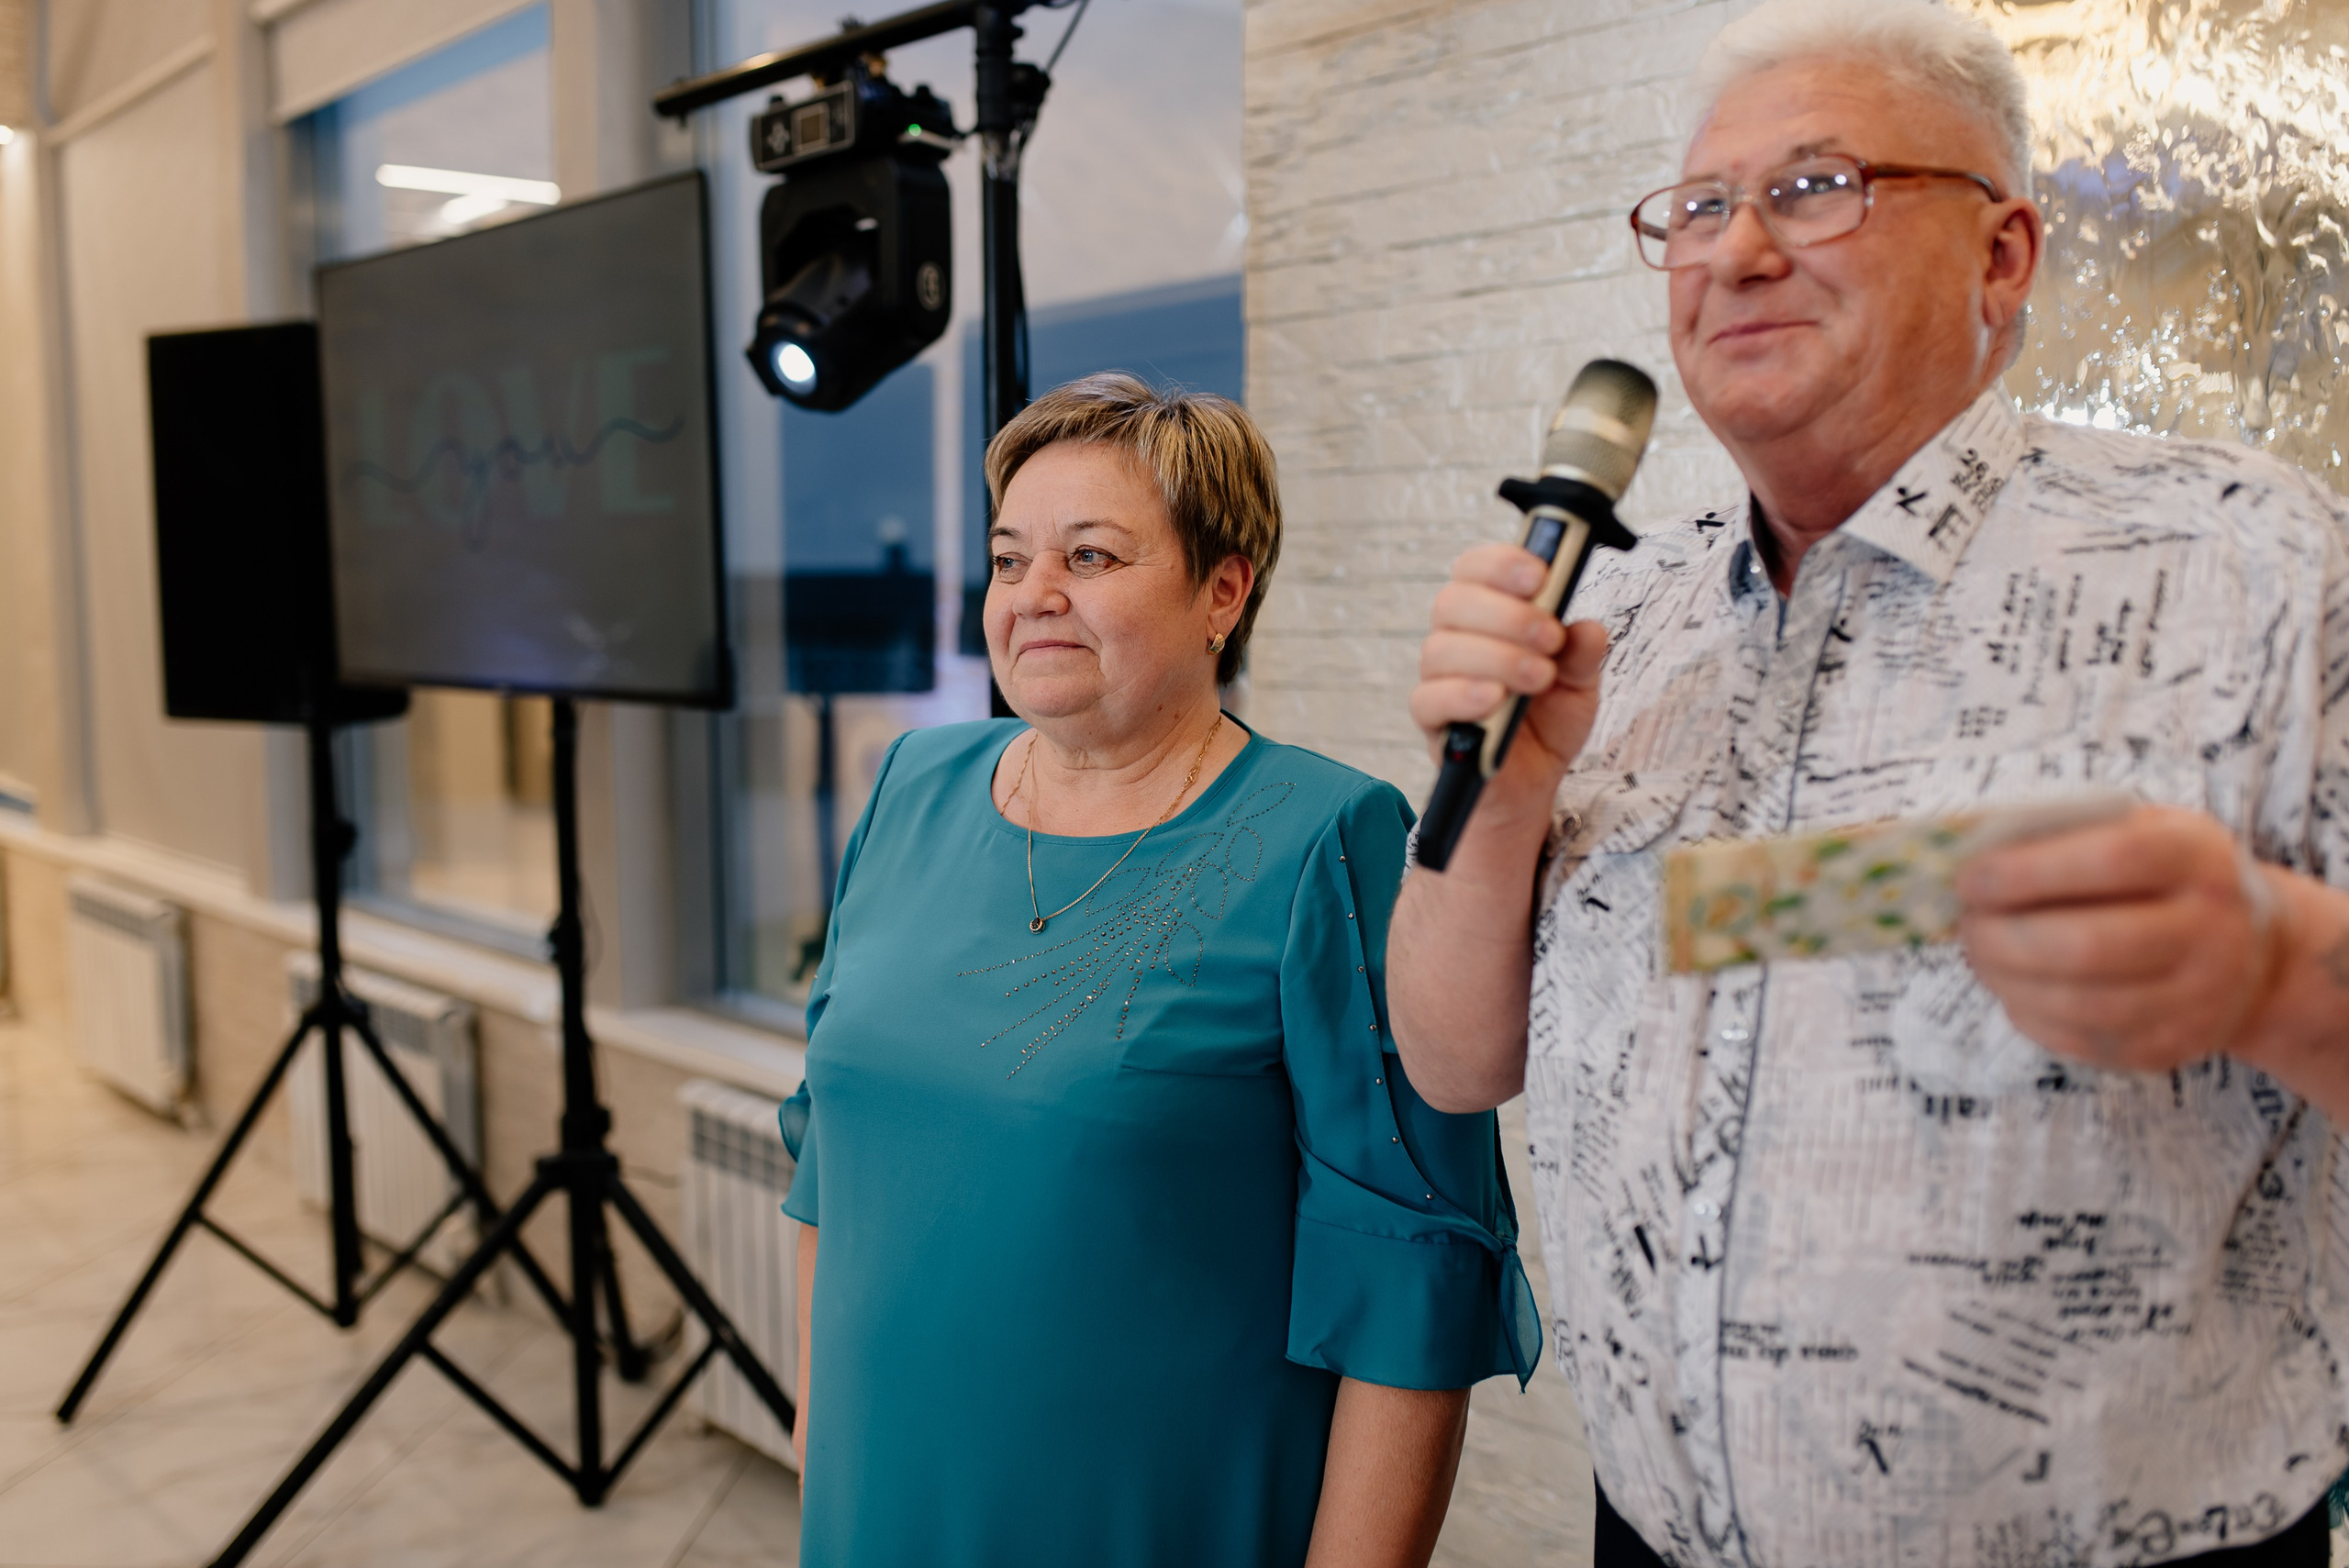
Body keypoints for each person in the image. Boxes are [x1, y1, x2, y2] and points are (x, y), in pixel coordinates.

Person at [1388, 1, 2349, 1563]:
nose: (1738, 250)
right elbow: (1449, 1061)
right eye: (1701, 207)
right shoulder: (1613, 616)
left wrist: (2273, 963)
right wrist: (1499, 794)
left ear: (2003, 255)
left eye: (1815, 187)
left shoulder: (2259, 561)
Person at [777, 372, 1537, 1568]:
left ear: (1223, 591)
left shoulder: (1328, 840)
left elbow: (1414, 1281)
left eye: (1090, 556)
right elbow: (831, 1157)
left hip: (1150, 1515)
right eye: (1010, 558)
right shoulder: (911, 786)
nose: (1035, 594)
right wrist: (820, 1457)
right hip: (879, 1506)